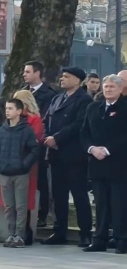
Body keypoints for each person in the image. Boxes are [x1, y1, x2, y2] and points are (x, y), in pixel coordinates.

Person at [41, 66, 93, 247]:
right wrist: (47, 137)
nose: (62, 79)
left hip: (74, 155)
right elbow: (46, 120)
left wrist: (57, 138)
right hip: (56, 154)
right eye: (62, 76)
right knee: (59, 195)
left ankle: (85, 233)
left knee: (79, 195)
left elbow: (78, 124)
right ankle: (59, 231)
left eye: (66, 76)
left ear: (77, 80)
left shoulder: (84, 99)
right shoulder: (57, 98)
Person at [81, 74, 127, 254]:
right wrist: (92, 148)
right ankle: (99, 239)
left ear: (120, 89)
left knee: (119, 204)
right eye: (106, 86)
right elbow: (84, 132)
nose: (108, 89)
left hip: (118, 164)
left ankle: (122, 239)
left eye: (112, 87)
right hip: (97, 164)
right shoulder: (93, 107)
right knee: (101, 204)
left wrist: (108, 150)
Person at [0, 98, 42, 248]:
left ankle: (20, 235)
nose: (7, 111)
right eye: (6, 108)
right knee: (9, 206)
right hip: (5, 173)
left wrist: (24, 165)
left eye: (11, 108)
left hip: (20, 173)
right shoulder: (2, 130)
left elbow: (34, 149)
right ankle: (10, 234)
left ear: (19, 111)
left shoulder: (26, 130)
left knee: (21, 206)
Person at [22, 60, 54, 227]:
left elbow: (45, 119)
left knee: (40, 180)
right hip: (20, 145)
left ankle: (42, 213)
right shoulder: (22, 91)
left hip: (37, 144)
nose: (24, 74)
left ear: (37, 73)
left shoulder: (48, 94)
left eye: (28, 71)